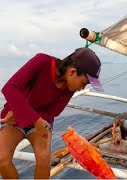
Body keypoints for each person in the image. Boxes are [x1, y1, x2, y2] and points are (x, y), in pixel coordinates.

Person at [0, 47, 103, 179]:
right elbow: (9, 88)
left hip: (39, 118)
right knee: (2, 159)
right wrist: (21, 113)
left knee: (44, 160)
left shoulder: (69, 88)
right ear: (72, 72)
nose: (81, 88)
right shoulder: (41, 61)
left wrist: (28, 116)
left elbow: (54, 111)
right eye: (84, 83)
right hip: (14, 116)